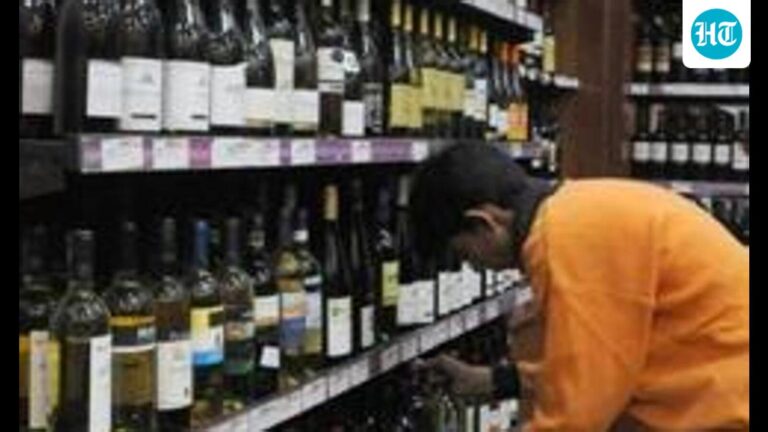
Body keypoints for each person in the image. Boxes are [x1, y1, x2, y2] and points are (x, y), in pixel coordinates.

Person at [410, 143, 749, 431]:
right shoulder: (574, 209)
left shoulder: (568, 241)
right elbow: (596, 365)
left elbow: (579, 412)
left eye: (465, 253)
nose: (473, 266)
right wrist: (499, 381)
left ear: (485, 222)